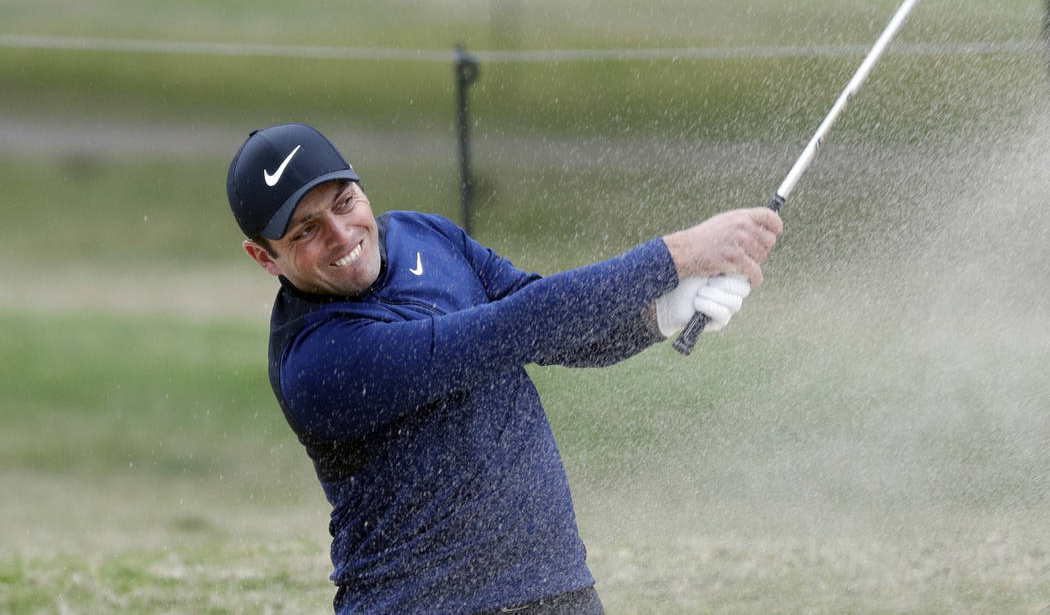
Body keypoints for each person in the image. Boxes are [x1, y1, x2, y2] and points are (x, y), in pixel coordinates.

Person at [226, 123, 781, 615]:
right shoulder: (318, 363)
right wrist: (678, 254)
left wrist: (658, 316)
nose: (342, 236)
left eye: (345, 203)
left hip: (557, 586)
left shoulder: (426, 235)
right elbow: (506, 331)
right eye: (305, 231)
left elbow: (552, 326)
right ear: (264, 257)